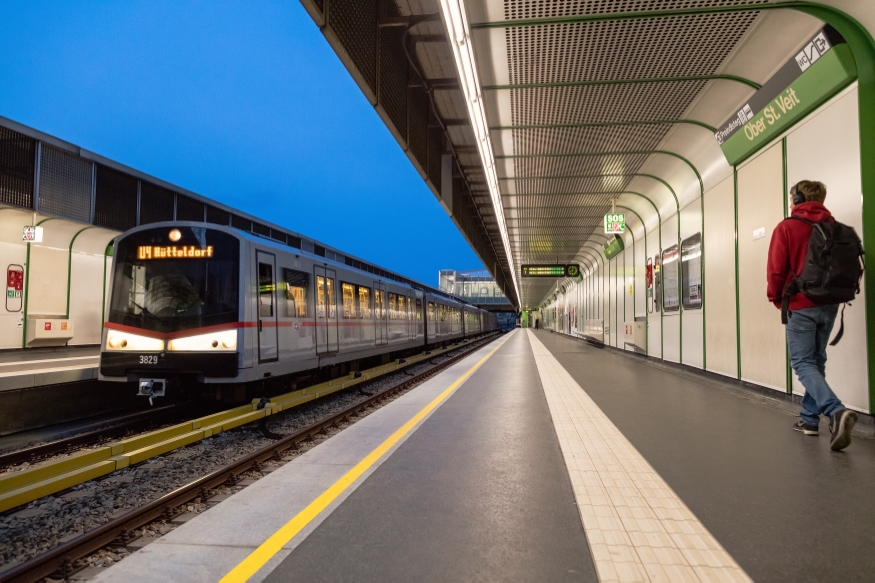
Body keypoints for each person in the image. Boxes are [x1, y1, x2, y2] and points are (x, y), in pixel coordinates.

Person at [767, 180, 857, 451]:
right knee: (816, 360)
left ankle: (835, 411)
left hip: (800, 303)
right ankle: (808, 420)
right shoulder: (833, 227)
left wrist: (776, 298)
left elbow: (775, 270)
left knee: (803, 363)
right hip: (830, 304)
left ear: (796, 197)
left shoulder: (787, 226)